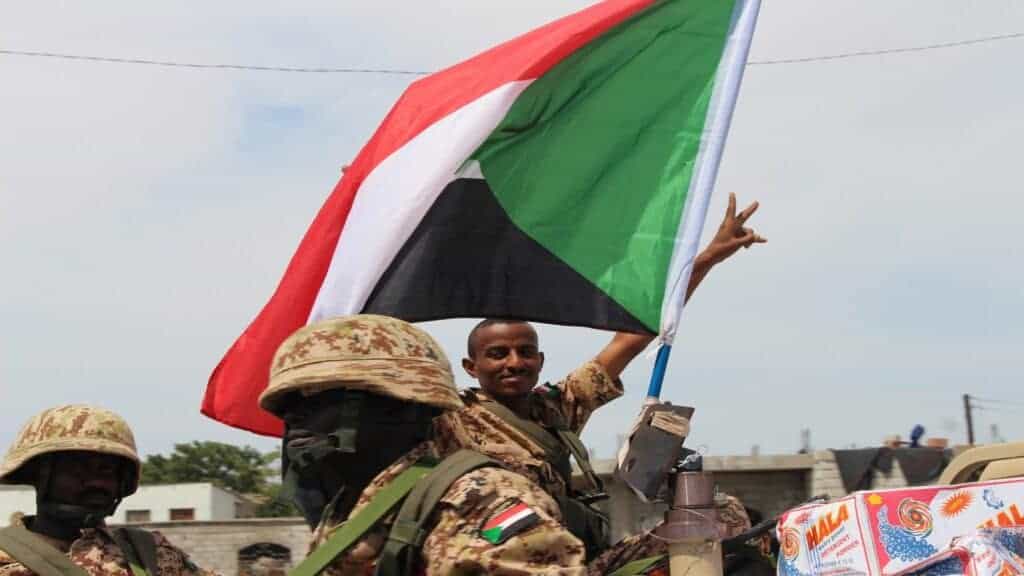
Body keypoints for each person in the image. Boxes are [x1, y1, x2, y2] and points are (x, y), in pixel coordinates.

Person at [447, 194, 766, 557]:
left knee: (724, 515)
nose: (514, 362)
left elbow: (631, 338)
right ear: (471, 367)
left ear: (540, 360)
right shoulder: (453, 418)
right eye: (498, 354)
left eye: (525, 352)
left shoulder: (557, 408)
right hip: (504, 561)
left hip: (576, 560)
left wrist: (708, 257)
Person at [259, 314, 591, 575]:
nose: (296, 421)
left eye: (315, 401)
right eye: (290, 407)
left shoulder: (475, 502)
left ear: (396, 405)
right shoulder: (347, 511)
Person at [0, 405, 213, 576]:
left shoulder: (149, 553)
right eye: (78, 470)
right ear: (40, 473)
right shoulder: (6, 560)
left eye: (107, 470)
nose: (97, 482)